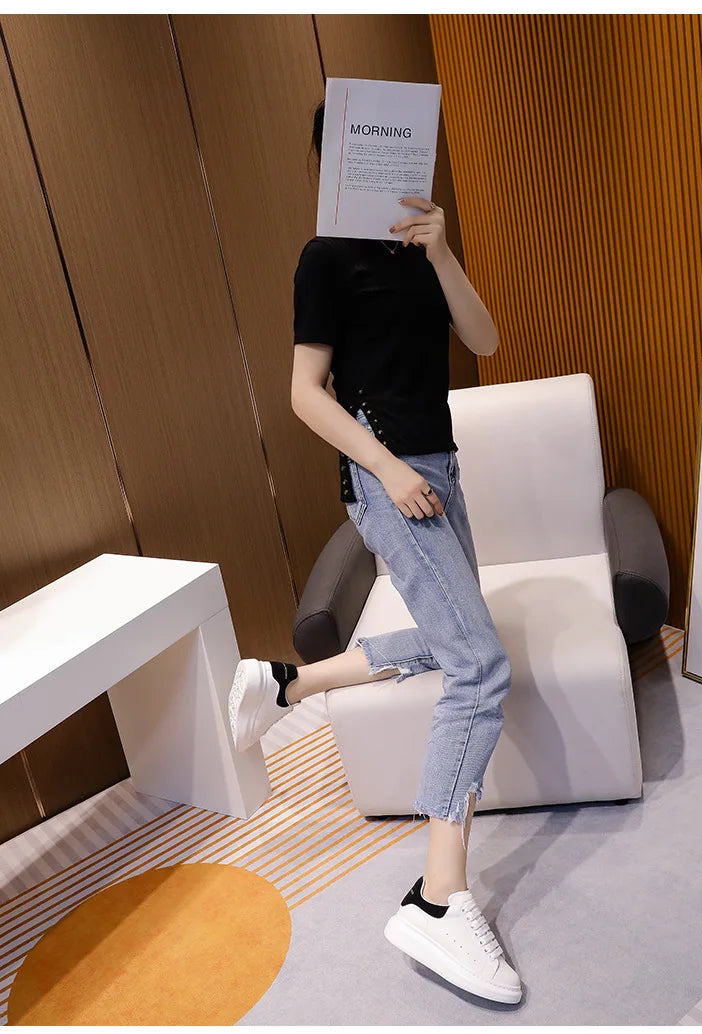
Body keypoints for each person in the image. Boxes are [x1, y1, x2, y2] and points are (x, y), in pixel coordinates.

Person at [227, 98, 522, 1005]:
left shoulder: (419, 251)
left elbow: (486, 340)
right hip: (387, 476)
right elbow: (304, 393)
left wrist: (443, 251)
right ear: (334, 162)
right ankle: (438, 898)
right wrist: (388, 471)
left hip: (440, 470)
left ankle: (287, 685)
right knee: (481, 666)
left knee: (453, 639)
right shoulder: (323, 259)